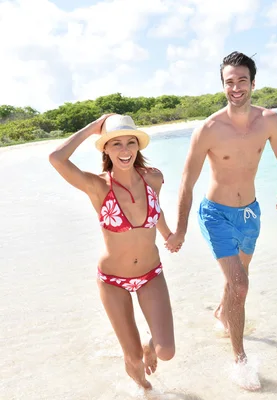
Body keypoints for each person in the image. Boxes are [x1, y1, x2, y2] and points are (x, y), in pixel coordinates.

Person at [166, 51, 277, 390]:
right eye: (229, 82)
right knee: (239, 284)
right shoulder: (208, 129)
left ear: (253, 83)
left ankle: (224, 313)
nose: (236, 87)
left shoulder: (269, 121)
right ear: (222, 86)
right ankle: (240, 361)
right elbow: (186, 181)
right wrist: (180, 229)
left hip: (250, 213)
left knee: (238, 280)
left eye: (242, 80)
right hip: (216, 215)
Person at [49, 114, 178, 391]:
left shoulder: (153, 178)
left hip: (151, 274)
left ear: (138, 147)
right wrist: (92, 128)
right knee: (132, 358)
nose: (124, 150)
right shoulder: (98, 186)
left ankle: (150, 346)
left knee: (166, 351)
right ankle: (146, 390)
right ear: (105, 148)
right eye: (115, 143)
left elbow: (156, 210)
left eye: (130, 142)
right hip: (113, 280)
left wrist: (168, 234)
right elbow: (56, 159)